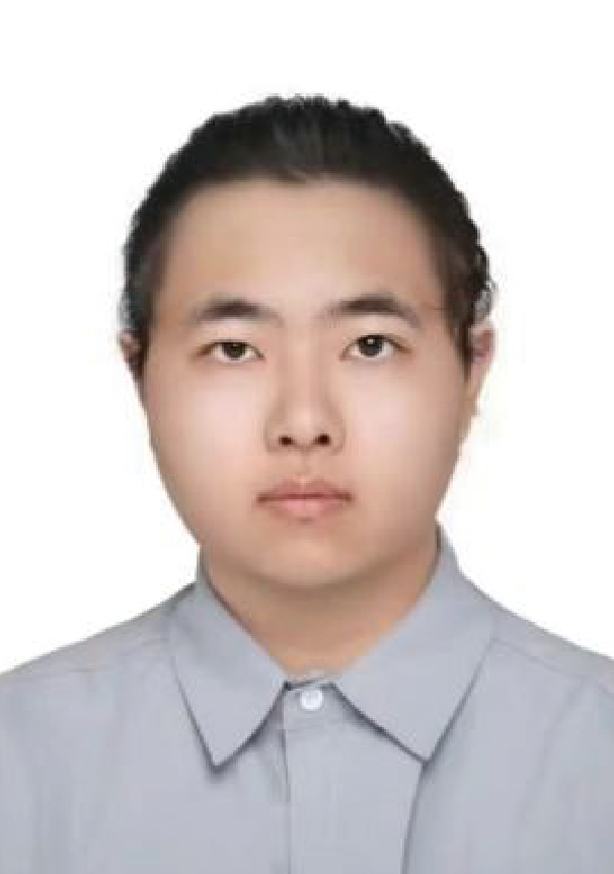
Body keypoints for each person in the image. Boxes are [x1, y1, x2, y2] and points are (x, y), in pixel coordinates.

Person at [0, 94, 612, 873]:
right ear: (139, 373)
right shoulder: (21, 762)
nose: (304, 421)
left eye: (370, 345)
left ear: (472, 370)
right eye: (233, 349)